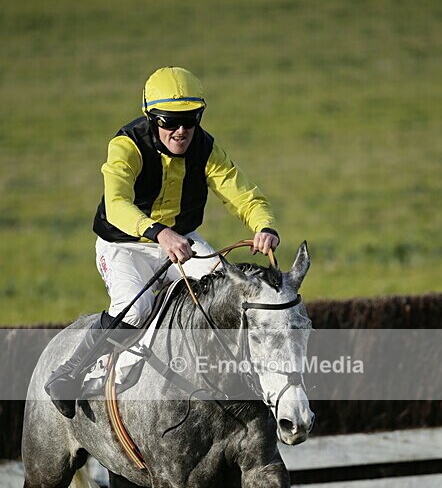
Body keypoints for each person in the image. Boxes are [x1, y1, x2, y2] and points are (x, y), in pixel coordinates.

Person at [45, 66, 280, 418]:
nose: (181, 131)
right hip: (123, 244)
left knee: (229, 292)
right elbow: (116, 204)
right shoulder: (126, 146)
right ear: (152, 118)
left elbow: (242, 194)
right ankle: (70, 373)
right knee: (135, 308)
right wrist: (159, 233)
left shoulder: (206, 148)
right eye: (170, 121)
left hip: (181, 240)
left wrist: (264, 226)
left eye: (190, 119)